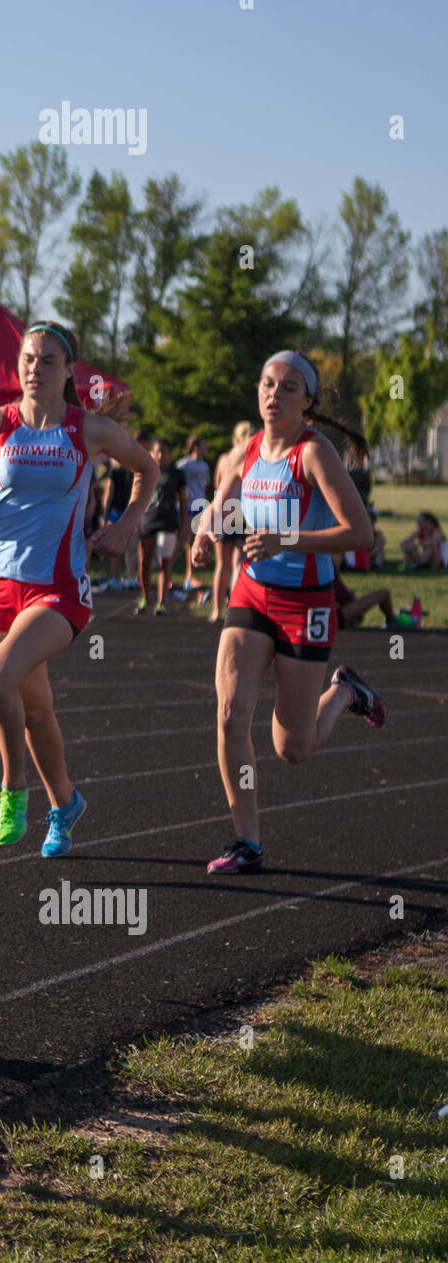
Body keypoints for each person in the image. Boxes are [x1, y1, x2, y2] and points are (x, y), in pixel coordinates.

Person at [0, 320, 158, 856]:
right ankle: (66, 803)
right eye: (28, 359)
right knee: (33, 709)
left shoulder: (88, 429)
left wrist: (125, 526)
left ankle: (12, 791)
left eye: (47, 361)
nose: (35, 369)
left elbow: (147, 468)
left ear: (67, 371)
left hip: (59, 590)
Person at [190, 350, 384, 876]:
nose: (274, 394)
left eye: (288, 387)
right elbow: (222, 505)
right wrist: (205, 534)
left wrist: (286, 540)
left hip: (306, 604)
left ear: (308, 402)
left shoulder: (315, 453)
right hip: (251, 595)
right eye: (267, 383)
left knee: (292, 747)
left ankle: (345, 690)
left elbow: (360, 533)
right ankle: (247, 842)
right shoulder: (246, 450)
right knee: (230, 714)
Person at [136, 437, 187, 615]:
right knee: (144, 562)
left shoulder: (177, 474)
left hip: (168, 522)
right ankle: (145, 597)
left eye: (164, 452)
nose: (160, 455)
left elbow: (183, 499)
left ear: (170, 454)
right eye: (156, 451)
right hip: (147, 521)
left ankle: (161, 602)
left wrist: (184, 524)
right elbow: (136, 496)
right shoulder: (145, 470)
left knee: (165, 563)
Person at [209, 421, 253, 622]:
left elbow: (219, 485)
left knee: (222, 564)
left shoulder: (225, 458)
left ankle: (217, 609)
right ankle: (232, 608)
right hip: (242, 511)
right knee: (237, 563)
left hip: (225, 509)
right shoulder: (250, 456)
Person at [176, 434, 211, 593]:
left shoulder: (205, 466)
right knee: (183, 539)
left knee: (194, 542)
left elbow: (205, 484)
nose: (207, 448)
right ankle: (167, 569)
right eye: (204, 445)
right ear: (196, 447)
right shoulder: (184, 464)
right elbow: (174, 478)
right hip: (188, 506)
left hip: (200, 506)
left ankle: (189, 576)